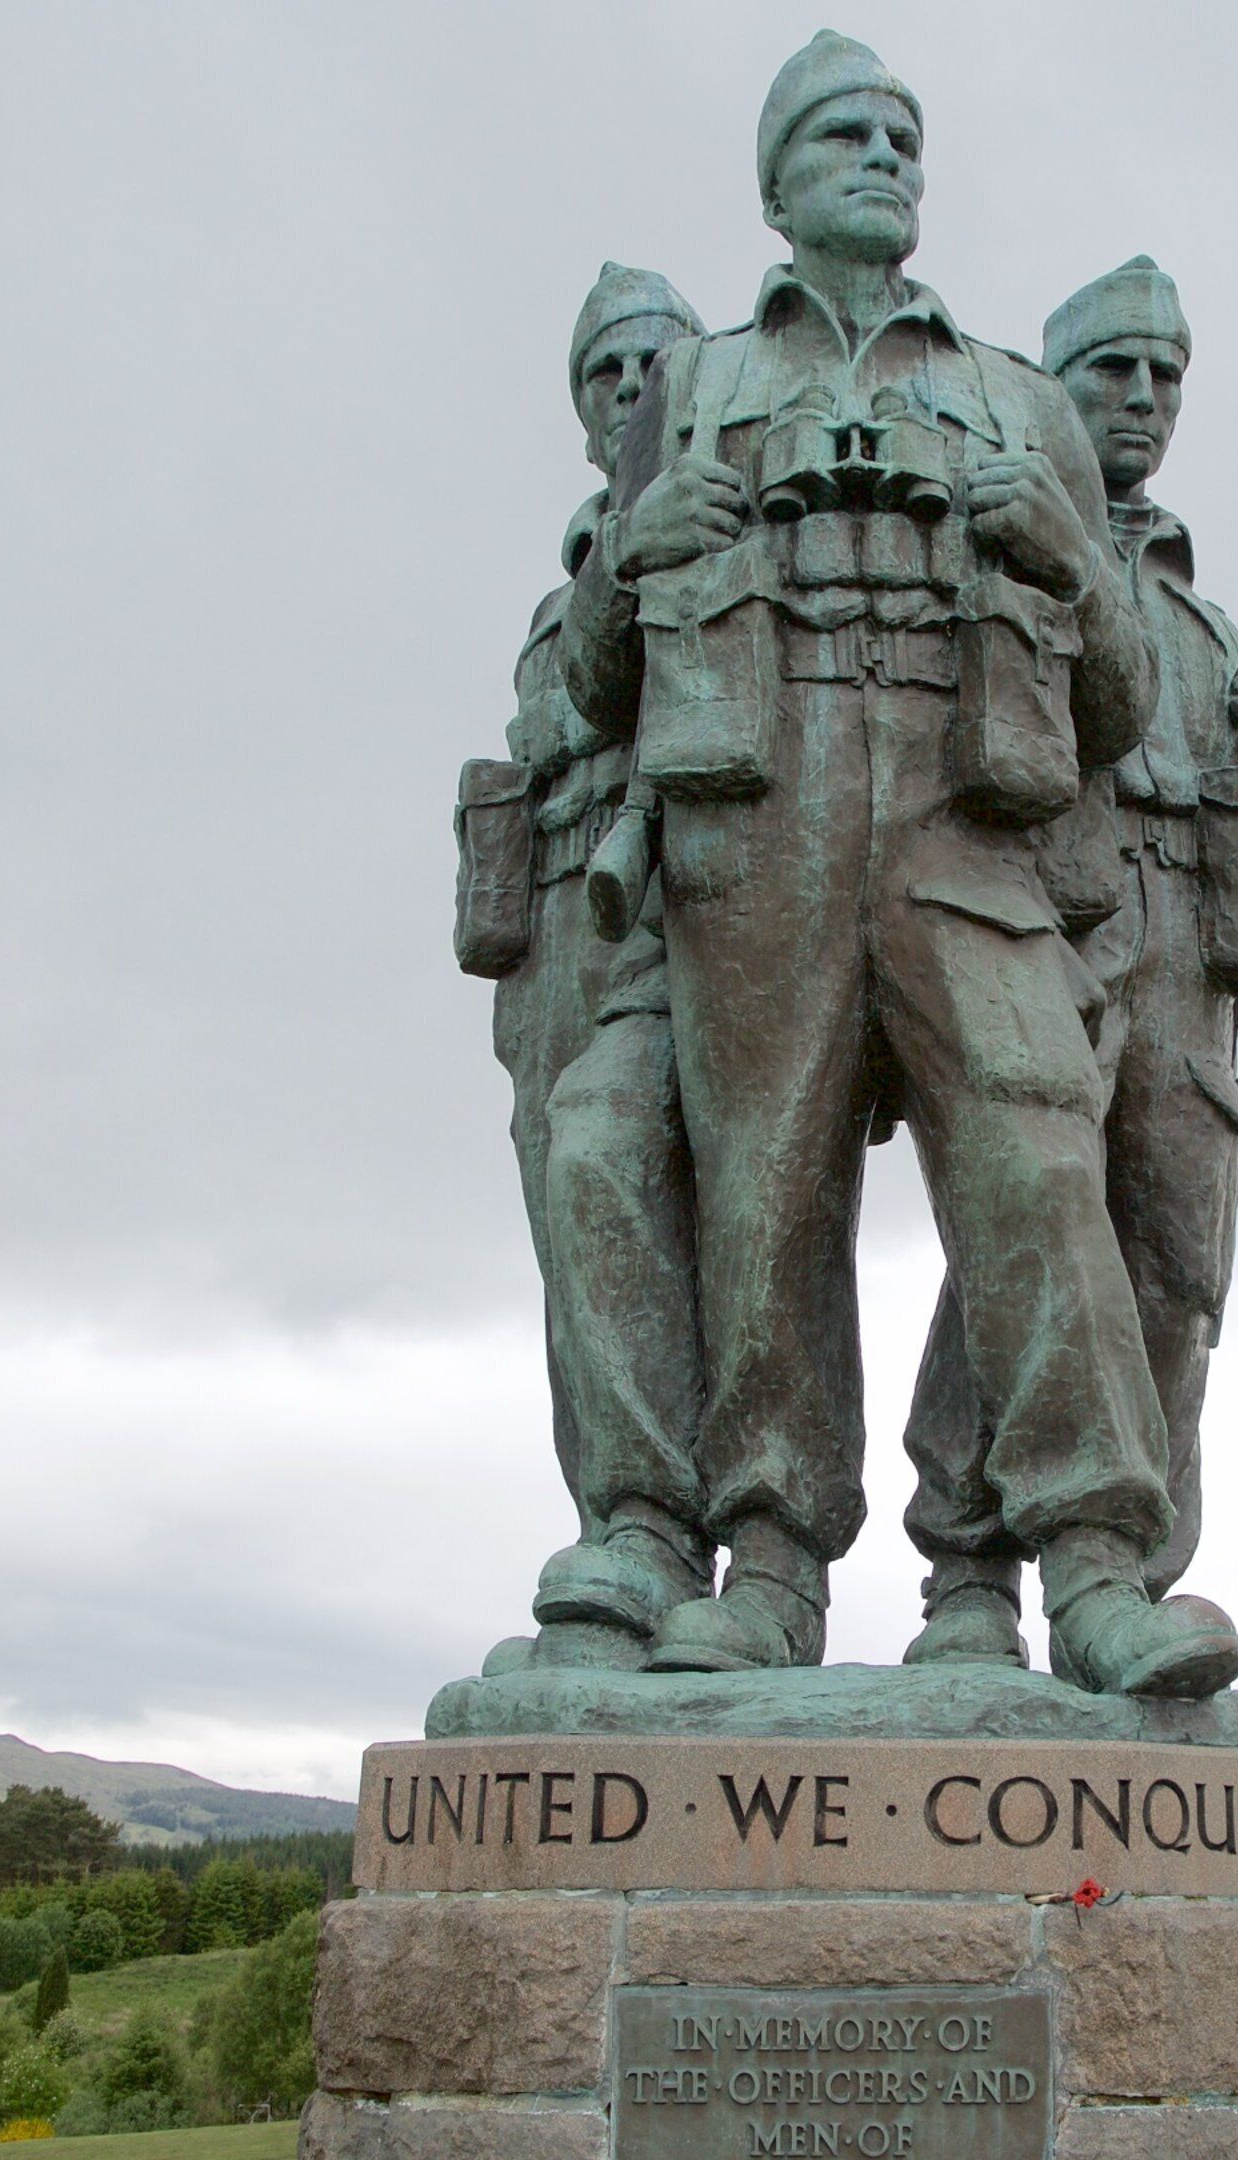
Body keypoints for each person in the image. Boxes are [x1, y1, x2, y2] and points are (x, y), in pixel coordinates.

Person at [556, 32, 1238, 1697]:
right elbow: (594, 684)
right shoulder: (693, 387)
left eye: (902, 137)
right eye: (843, 136)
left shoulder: (1018, 398)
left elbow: (1117, 705)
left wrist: (1069, 557)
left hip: (966, 836)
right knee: (764, 1197)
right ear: (775, 185)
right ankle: (772, 1567)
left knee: (1038, 1163)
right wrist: (626, 566)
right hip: (755, 835)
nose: (882, 158)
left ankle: (1095, 1568)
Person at [897, 257, 1238, 1678]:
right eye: (1111, 370)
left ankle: (1129, 1579)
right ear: (1053, 393)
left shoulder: (1206, 624)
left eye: (1164, 374)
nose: (1142, 397)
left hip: (1191, 960)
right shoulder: (997, 546)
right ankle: (969, 1570)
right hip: (1051, 923)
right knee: (1024, 1231)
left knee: (1179, 1272)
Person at [455, 265, 715, 1671]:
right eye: (603, 370)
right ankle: (621, 1543)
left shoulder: (716, 519)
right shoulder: (566, 584)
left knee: (638, 1179)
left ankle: (669, 1524)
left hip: (676, 906)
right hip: (553, 923)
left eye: (651, 361)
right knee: (575, 1240)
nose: (628, 387)